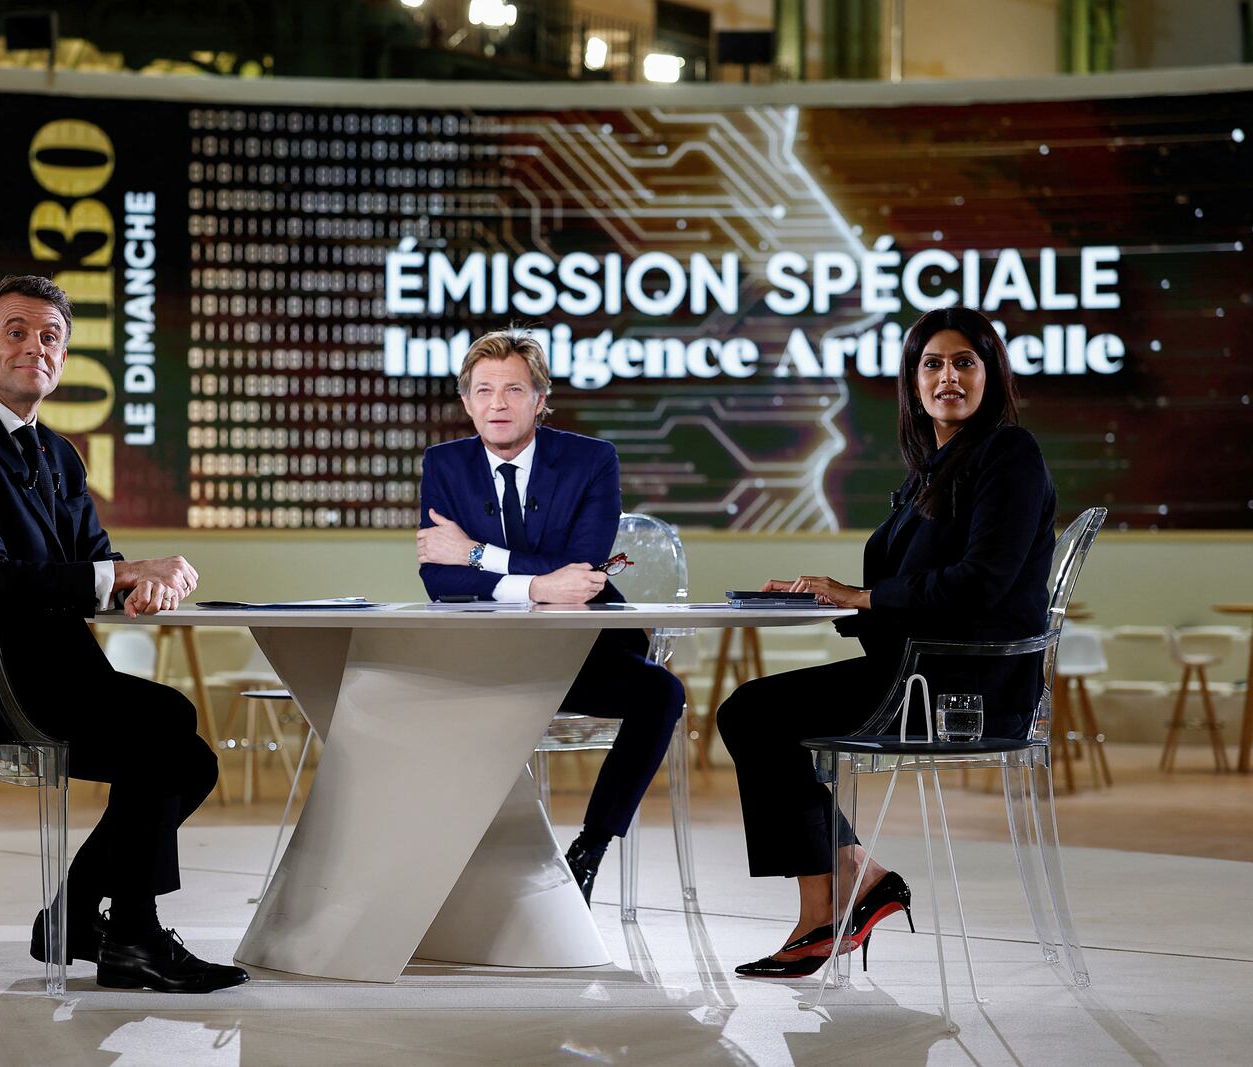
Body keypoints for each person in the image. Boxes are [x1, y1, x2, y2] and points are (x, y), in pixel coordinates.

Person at [0, 275, 247, 994]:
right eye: (17, 331)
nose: (35, 346)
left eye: (51, 336)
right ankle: (131, 937)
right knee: (162, 724)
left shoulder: (58, 455)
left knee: (190, 759)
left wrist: (148, 581)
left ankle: (78, 913)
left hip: (46, 673)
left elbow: (95, 560)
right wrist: (118, 573)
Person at [717, 306, 1057, 978]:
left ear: (992, 373)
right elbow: (912, 587)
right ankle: (849, 884)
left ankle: (834, 899)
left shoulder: (1008, 453)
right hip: (922, 673)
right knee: (754, 712)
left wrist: (859, 596)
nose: (948, 377)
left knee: (753, 713)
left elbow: (980, 584)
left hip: (965, 690)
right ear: (912, 379)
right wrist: (825, 597)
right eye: (933, 364)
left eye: (965, 362)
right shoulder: (935, 468)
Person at [415, 328, 685, 902]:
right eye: (483, 391)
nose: (497, 404)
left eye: (514, 390)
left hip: (584, 652)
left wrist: (477, 553)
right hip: (491, 658)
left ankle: (589, 850)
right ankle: (444, 865)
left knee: (661, 693)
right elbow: (440, 581)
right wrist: (539, 581)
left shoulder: (592, 460)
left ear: (541, 399)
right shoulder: (444, 465)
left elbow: (582, 574)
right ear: (466, 401)